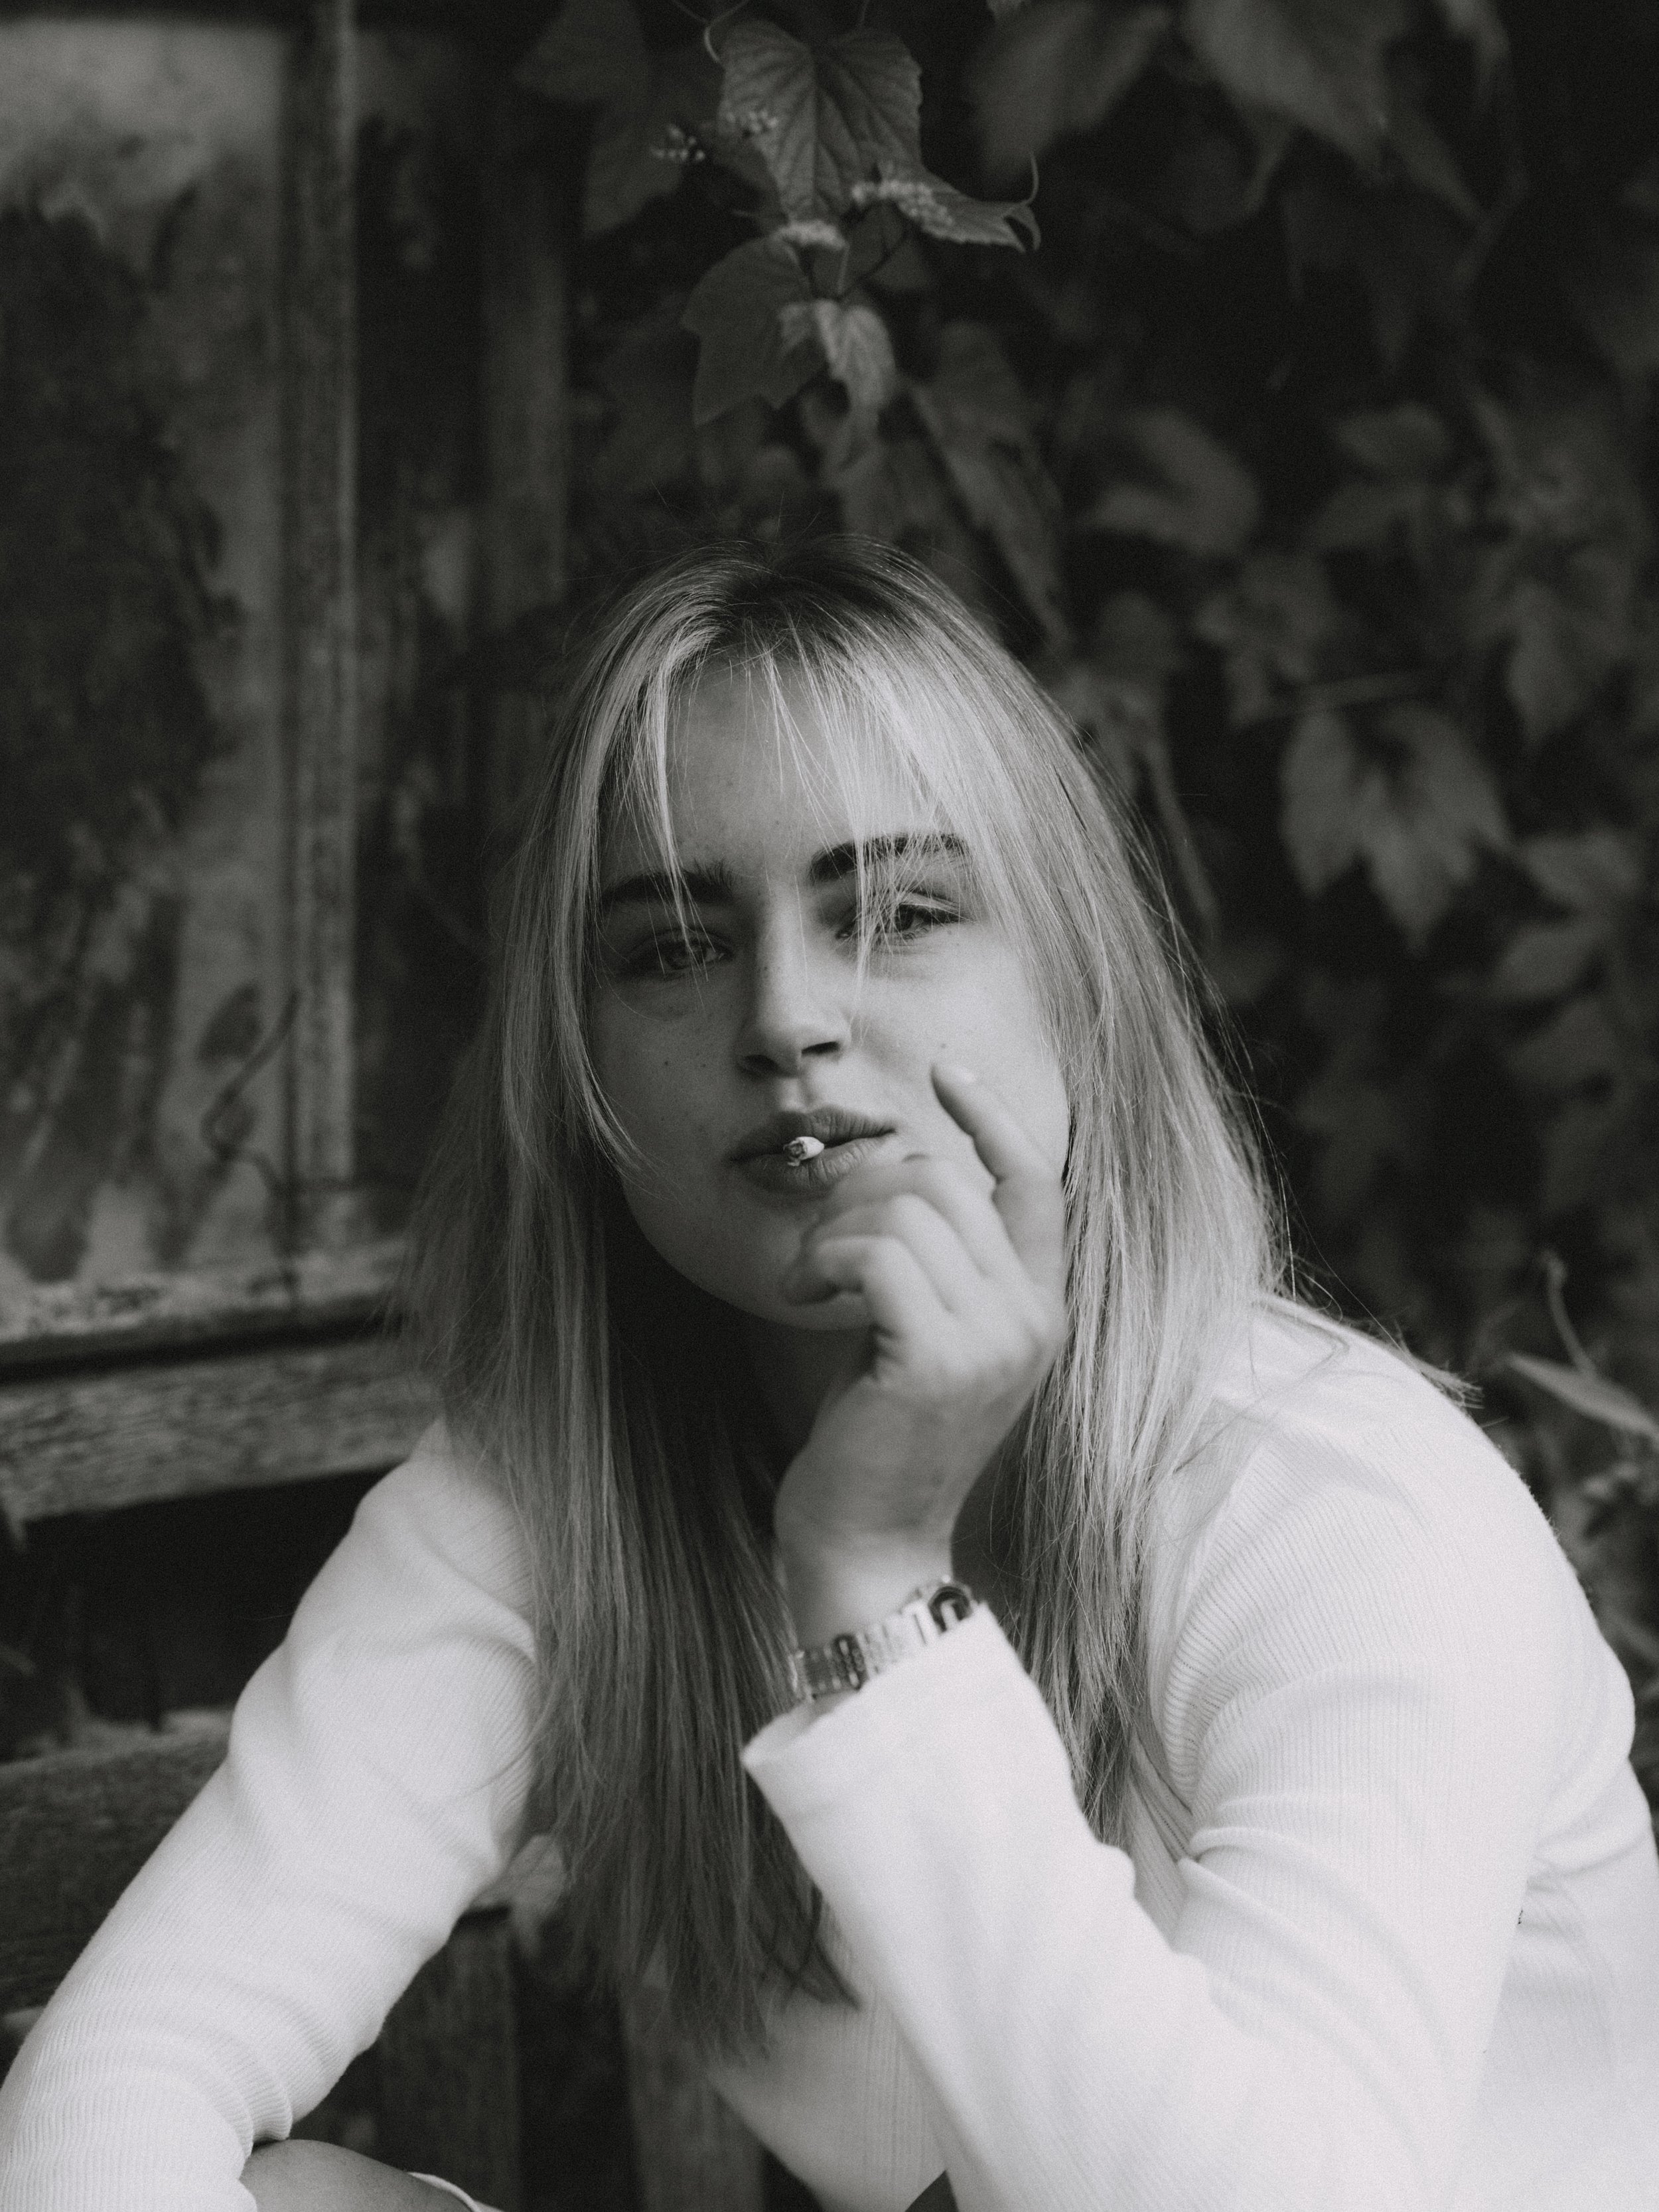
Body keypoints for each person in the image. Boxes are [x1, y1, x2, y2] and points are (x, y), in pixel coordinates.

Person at [1, 538, 1656, 2212]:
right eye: (670, 944)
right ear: (580, 1075)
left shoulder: (1334, 1517)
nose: (784, 1014)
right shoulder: (562, 1492)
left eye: (898, 911)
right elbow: (115, 2094)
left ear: (1077, 992)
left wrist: (874, 1590)